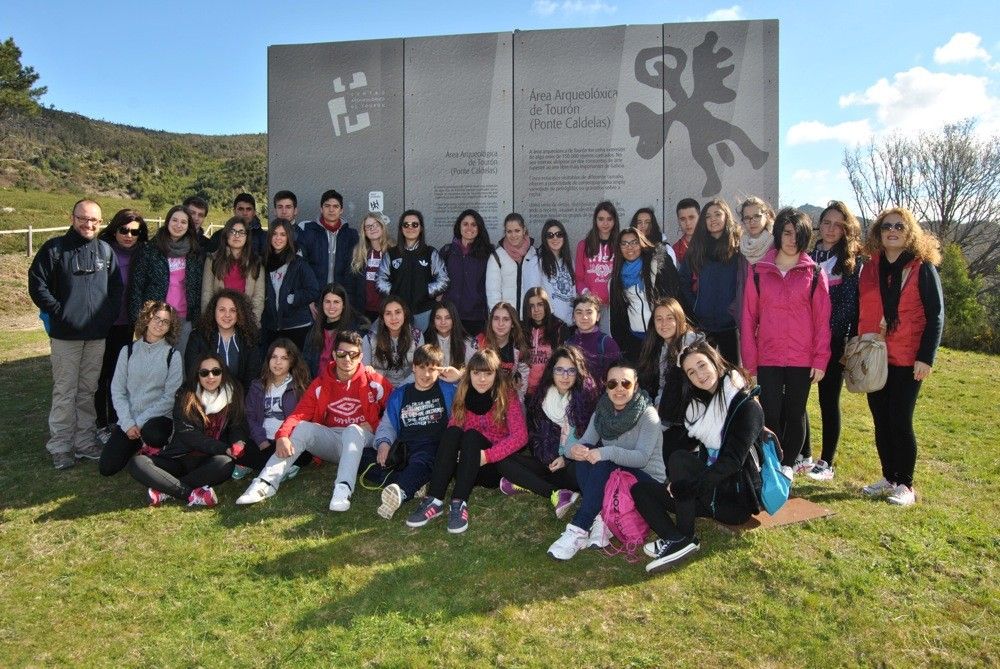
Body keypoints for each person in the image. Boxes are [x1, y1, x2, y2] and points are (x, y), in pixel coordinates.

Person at [631, 340, 764, 572]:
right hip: (707, 493)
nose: (699, 375)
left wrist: (688, 488)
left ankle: (684, 536)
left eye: (702, 365)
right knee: (639, 490)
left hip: (734, 500)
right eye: (691, 372)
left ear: (715, 361)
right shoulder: (700, 408)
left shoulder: (746, 406)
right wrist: (678, 484)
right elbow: (669, 415)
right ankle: (675, 538)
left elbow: (731, 463)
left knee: (680, 460)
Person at [234, 330, 391, 511]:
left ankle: (343, 489)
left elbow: (395, 410)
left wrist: (375, 426)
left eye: (353, 354)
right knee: (301, 427)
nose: (347, 359)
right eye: (341, 353)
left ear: (361, 356)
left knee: (353, 430)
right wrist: (283, 435)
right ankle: (265, 483)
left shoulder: (374, 380)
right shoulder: (321, 383)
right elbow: (299, 413)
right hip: (333, 439)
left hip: (363, 438)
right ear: (334, 354)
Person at [857, 207, 943, 506]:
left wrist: (926, 357)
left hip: (908, 358)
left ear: (910, 233)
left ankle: (905, 484)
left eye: (900, 226)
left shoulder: (922, 268)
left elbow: (936, 316)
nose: (892, 230)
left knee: (900, 420)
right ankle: (889, 477)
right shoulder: (870, 268)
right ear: (879, 233)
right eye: (886, 226)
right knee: (880, 419)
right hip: (876, 356)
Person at [28, 199, 123, 469]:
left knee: (87, 390)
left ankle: (84, 442)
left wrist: (106, 318)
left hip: (96, 335)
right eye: (83, 218)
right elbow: (37, 283)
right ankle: (61, 446)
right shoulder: (55, 249)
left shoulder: (105, 251)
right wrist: (59, 312)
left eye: (94, 220)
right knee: (65, 391)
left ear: (100, 222)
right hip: (65, 336)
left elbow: (116, 290)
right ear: (73, 218)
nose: (88, 224)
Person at [741, 208, 831, 473]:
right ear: (778, 234)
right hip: (768, 356)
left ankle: (789, 464)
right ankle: (771, 462)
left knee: (795, 413)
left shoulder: (814, 273)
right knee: (770, 412)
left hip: (801, 358)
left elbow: (822, 322)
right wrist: (750, 361)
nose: (792, 239)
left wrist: (820, 359)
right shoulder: (759, 271)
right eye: (787, 233)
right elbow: (748, 319)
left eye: (798, 234)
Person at [547, 362, 664, 561]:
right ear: (606, 387)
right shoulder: (603, 411)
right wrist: (572, 449)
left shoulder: (648, 415)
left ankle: (579, 528)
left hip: (647, 482)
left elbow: (642, 458)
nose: (619, 389)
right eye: (612, 384)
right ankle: (601, 517)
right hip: (618, 476)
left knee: (603, 460)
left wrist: (606, 452)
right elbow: (584, 443)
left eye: (625, 384)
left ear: (635, 386)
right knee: (587, 456)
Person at [406, 349, 527, 534]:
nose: (482, 379)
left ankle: (459, 503)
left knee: (471, 435)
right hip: (467, 464)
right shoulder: (463, 393)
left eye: (488, 373)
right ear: (469, 374)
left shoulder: (506, 394)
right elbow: (454, 427)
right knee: (453, 430)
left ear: (496, 374)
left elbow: (521, 436)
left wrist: (488, 455)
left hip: (493, 465)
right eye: (476, 373)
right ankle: (435, 500)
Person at [127, 352, 249, 508]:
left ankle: (165, 490)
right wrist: (223, 448)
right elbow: (187, 434)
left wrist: (238, 443)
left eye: (216, 371)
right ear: (197, 375)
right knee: (138, 463)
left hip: (208, 461)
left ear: (223, 373)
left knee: (225, 463)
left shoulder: (233, 392)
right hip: (178, 458)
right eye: (204, 373)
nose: (210, 377)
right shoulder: (186, 394)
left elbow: (237, 425)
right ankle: (191, 494)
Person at [496, 345, 597, 518]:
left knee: (581, 467)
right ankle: (554, 492)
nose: (565, 376)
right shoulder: (541, 398)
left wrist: (565, 459)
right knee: (502, 460)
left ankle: (527, 483)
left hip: (573, 465)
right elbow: (534, 437)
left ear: (578, 372)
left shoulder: (587, 398)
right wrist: (549, 459)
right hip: (547, 463)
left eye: (571, 371)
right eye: (559, 370)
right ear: (552, 371)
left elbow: (591, 442)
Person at [361, 344, 458, 519]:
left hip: (432, 447)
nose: (426, 375)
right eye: (422, 368)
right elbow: (388, 424)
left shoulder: (448, 390)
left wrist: (459, 376)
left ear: (440, 371)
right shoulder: (401, 394)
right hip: (404, 448)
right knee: (363, 457)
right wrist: (383, 444)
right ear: (413, 367)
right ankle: (417, 482)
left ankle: (401, 492)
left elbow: (473, 399)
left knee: (423, 460)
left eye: (432, 369)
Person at [806, 201, 863, 481]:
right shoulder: (809, 255)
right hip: (803, 339)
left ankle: (826, 460)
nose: (830, 229)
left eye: (837, 224)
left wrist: (831, 334)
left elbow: (850, 305)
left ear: (846, 228)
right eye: (826, 222)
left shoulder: (851, 261)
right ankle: (802, 453)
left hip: (834, 340)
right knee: (797, 399)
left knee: (829, 401)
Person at [99, 301, 182, 476]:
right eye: (156, 318)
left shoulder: (172, 356)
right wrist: (128, 423)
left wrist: (140, 421)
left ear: (170, 327)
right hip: (129, 419)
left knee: (154, 435)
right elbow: (117, 391)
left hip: (156, 419)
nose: (160, 324)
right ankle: (137, 444)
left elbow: (169, 398)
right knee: (107, 468)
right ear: (147, 318)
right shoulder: (127, 351)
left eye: (165, 321)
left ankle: (151, 447)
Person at [94, 208, 148, 441]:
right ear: (114, 229)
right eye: (123, 230)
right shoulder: (101, 250)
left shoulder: (143, 254)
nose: (128, 235)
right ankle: (100, 423)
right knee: (100, 375)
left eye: (134, 232)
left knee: (119, 375)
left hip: (126, 323)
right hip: (100, 322)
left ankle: (117, 420)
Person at [678, 198, 746, 365]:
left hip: (731, 325)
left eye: (717, 214)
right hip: (704, 325)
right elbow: (683, 282)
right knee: (705, 371)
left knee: (733, 374)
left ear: (726, 217)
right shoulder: (697, 248)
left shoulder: (738, 248)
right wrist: (696, 306)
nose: (713, 219)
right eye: (708, 216)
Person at [129, 204, 203, 354]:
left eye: (183, 222)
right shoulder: (150, 249)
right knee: (153, 361)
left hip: (183, 317)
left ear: (188, 226)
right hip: (155, 316)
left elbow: (197, 286)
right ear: (167, 222)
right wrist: (138, 317)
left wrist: (196, 317)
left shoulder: (194, 253)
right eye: (174, 220)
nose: (178, 225)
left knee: (178, 362)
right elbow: (137, 286)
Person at [237, 338, 313, 480]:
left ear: (292, 362)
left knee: (305, 454)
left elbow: (301, 418)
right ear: (268, 360)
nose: (278, 362)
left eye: (284, 358)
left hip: (288, 440)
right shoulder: (257, 386)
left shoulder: (299, 387)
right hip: (263, 441)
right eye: (274, 357)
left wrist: (286, 439)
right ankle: (283, 467)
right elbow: (250, 416)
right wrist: (261, 441)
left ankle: (269, 466)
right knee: (242, 451)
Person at [637, 297, 702, 463]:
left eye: (669, 318)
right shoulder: (661, 348)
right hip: (668, 414)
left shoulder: (693, 346)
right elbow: (661, 388)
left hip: (689, 420)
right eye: (659, 319)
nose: (663, 324)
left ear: (679, 319)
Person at [377, 209, 449, 331]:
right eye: (406, 225)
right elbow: (380, 280)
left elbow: (444, 279)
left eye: (415, 224)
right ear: (401, 228)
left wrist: (426, 290)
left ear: (421, 228)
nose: (410, 228)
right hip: (398, 314)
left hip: (424, 312)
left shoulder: (430, 252)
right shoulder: (391, 254)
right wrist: (395, 292)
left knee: (422, 347)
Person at [260, 218, 319, 353]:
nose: (278, 238)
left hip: (297, 326)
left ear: (289, 238)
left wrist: (291, 298)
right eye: (274, 234)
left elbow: (313, 290)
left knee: (296, 369)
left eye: (283, 234)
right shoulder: (263, 262)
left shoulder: (298, 263)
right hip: (272, 327)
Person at [185, 289, 261, 391]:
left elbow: (251, 379)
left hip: (239, 400)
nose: (227, 315)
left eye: (233, 310)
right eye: (222, 309)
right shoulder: (197, 337)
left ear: (240, 313)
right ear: (213, 311)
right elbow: (192, 374)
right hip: (205, 399)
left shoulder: (249, 339)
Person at [608, 227, 662, 364]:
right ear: (619, 248)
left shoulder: (655, 266)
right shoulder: (616, 279)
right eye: (624, 244)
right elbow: (616, 318)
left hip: (660, 334)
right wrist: (625, 344)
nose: (629, 247)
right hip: (634, 339)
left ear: (641, 243)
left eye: (634, 242)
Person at [298, 189, 361, 299]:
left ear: (341, 210)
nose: (331, 210)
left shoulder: (351, 236)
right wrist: (308, 299)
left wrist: (348, 298)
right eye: (327, 206)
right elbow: (301, 267)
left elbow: (353, 271)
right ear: (321, 209)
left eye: (335, 206)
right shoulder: (308, 232)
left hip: (341, 297)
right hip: (315, 296)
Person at [202, 216, 265, 323]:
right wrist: (208, 321)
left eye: (241, 232)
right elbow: (207, 294)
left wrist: (252, 322)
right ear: (226, 234)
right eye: (233, 231)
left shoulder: (256, 261)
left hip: (245, 320)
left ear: (247, 237)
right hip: (219, 319)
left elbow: (259, 296)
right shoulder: (213, 259)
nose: (237, 235)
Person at [301, 283, 370, 378]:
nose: (331, 306)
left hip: (343, 387)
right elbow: (305, 363)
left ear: (344, 305)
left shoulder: (355, 332)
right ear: (322, 304)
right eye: (327, 302)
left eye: (336, 302)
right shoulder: (314, 330)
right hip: (316, 386)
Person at [440, 209, 492, 335]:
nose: (469, 228)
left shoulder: (488, 253)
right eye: (465, 224)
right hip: (449, 315)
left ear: (479, 228)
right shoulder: (447, 251)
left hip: (476, 316)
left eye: (474, 224)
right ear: (459, 226)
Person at [575, 201, 619, 331]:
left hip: (613, 306)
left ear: (614, 221)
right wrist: (587, 295)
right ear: (595, 221)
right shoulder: (583, 245)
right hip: (590, 307)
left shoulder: (620, 245)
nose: (605, 223)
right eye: (601, 219)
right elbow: (578, 277)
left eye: (609, 219)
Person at [363, 296, 422, 388]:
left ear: (404, 314)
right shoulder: (369, 338)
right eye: (388, 313)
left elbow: (421, 369)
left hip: (409, 388)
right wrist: (386, 389)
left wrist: (399, 390)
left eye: (398, 312)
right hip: (379, 389)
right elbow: (365, 371)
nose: (393, 318)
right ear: (382, 317)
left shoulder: (417, 336)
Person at [486, 212, 539, 314]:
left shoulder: (535, 254)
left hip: (530, 317)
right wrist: (500, 317)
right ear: (505, 232)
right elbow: (493, 292)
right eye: (509, 231)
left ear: (524, 231)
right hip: (507, 319)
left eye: (517, 230)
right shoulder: (496, 257)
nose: (513, 235)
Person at [474, 301, 530, 397]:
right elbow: (467, 374)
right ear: (491, 321)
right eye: (496, 319)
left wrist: (518, 402)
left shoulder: (518, 346)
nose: (500, 324)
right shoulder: (478, 342)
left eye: (506, 319)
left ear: (512, 323)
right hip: (480, 397)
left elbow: (523, 379)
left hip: (507, 398)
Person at [521, 287, 570, 397]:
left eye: (540, 304)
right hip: (525, 393)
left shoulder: (559, 328)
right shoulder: (521, 329)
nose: (536, 309)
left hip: (550, 392)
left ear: (546, 305)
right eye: (531, 306)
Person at [565, 294, 620, 385]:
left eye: (589, 312)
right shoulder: (568, 344)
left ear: (598, 316)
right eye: (579, 312)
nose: (584, 317)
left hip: (600, 397)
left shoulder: (607, 343)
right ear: (573, 317)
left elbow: (617, 377)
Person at [350, 212, 394, 321]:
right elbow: (352, 284)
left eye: (376, 224)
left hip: (389, 310)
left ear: (382, 227)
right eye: (368, 226)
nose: (372, 228)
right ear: (364, 231)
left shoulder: (394, 252)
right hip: (365, 312)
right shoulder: (359, 253)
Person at [536, 218, 576, 323]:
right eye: (550, 235)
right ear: (545, 239)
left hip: (572, 323)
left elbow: (574, 291)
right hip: (551, 323)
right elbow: (534, 295)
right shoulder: (536, 262)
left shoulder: (569, 261)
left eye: (559, 234)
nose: (555, 238)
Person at [424, 301, 475, 369]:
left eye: (448, 318)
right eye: (438, 318)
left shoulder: (468, 342)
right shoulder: (425, 341)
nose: (443, 322)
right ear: (433, 320)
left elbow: (474, 371)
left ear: (454, 319)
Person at [738, 196, 776, 266]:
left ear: (767, 216)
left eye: (757, 216)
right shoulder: (740, 248)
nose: (752, 222)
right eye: (747, 218)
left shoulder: (777, 245)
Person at [672, 198, 700, 266]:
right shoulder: (676, 249)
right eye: (683, 219)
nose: (687, 223)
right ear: (678, 221)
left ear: (700, 217)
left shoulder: (711, 241)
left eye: (691, 217)